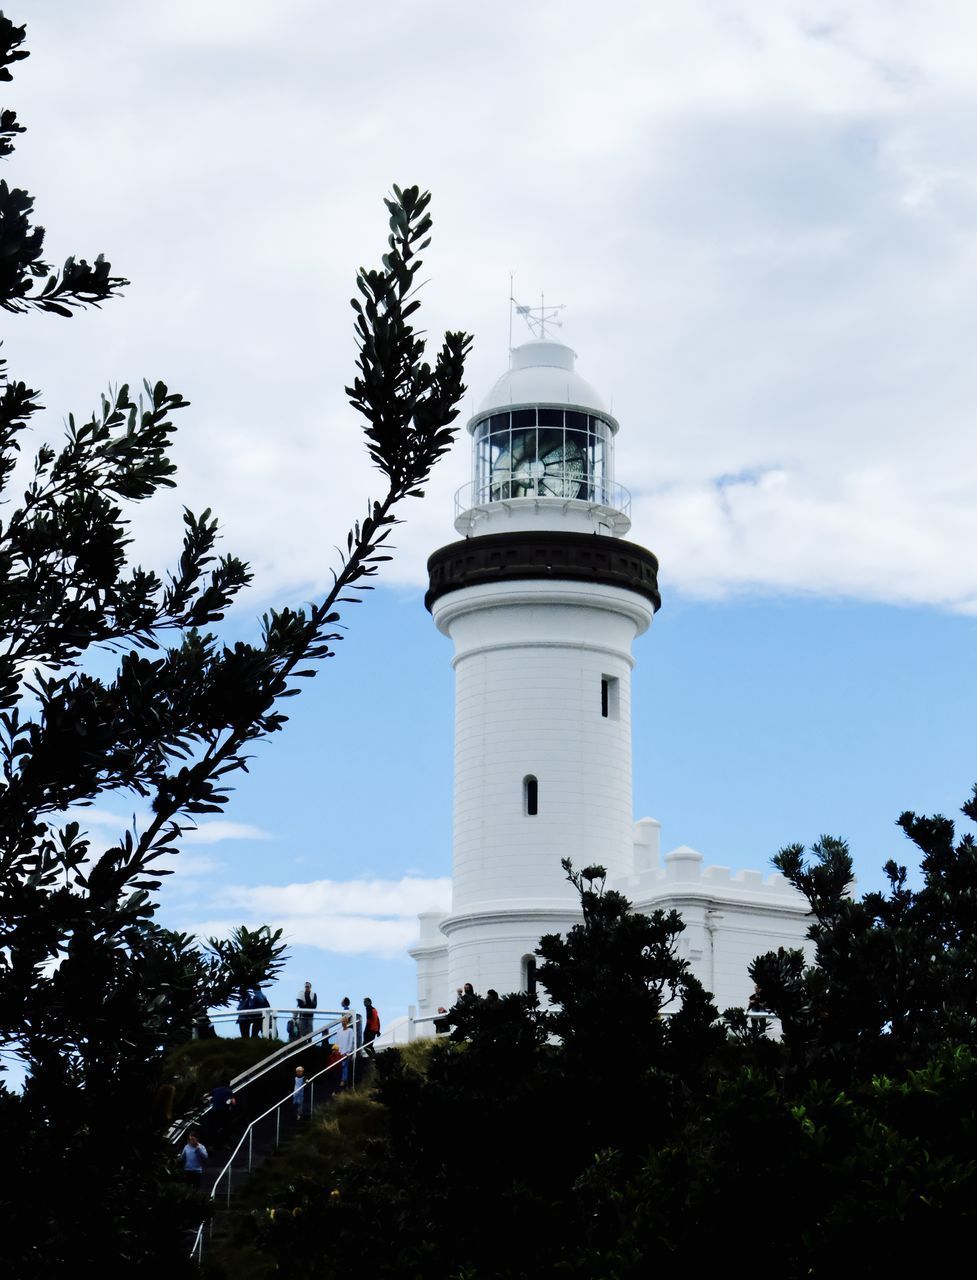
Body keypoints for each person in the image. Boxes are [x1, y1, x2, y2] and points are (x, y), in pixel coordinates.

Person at [336, 1016, 355, 1087]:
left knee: (344, 1066)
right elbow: (337, 1042)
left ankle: (344, 1080)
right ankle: (341, 1080)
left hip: (346, 1052)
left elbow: (351, 1041)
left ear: (347, 1022)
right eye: (342, 1021)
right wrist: (336, 1050)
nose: (343, 1023)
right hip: (339, 1052)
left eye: (345, 1021)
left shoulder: (350, 1030)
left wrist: (349, 1051)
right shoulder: (339, 1031)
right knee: (340, 1066)